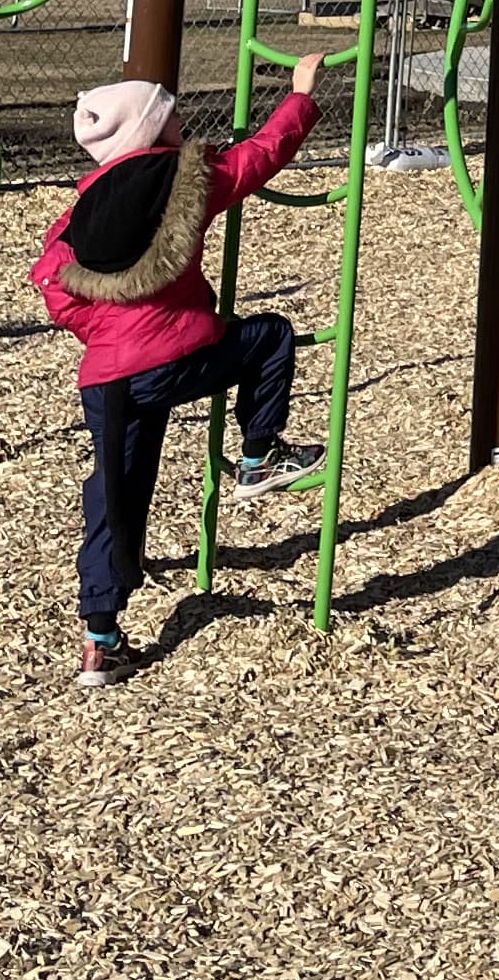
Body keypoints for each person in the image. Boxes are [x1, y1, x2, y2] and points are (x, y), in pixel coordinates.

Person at [34, 63, 326, 690]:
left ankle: (99, 640)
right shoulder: (186, 179)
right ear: (152, 130)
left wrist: (108, 334)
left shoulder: (85, 205)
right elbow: (259, 157)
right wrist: (300, 98)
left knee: (115, 492)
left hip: (106, 380)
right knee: (268, 337)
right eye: (171, 117)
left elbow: (52, 283)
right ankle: (259, 454)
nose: (181, 123)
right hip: (176, 356)